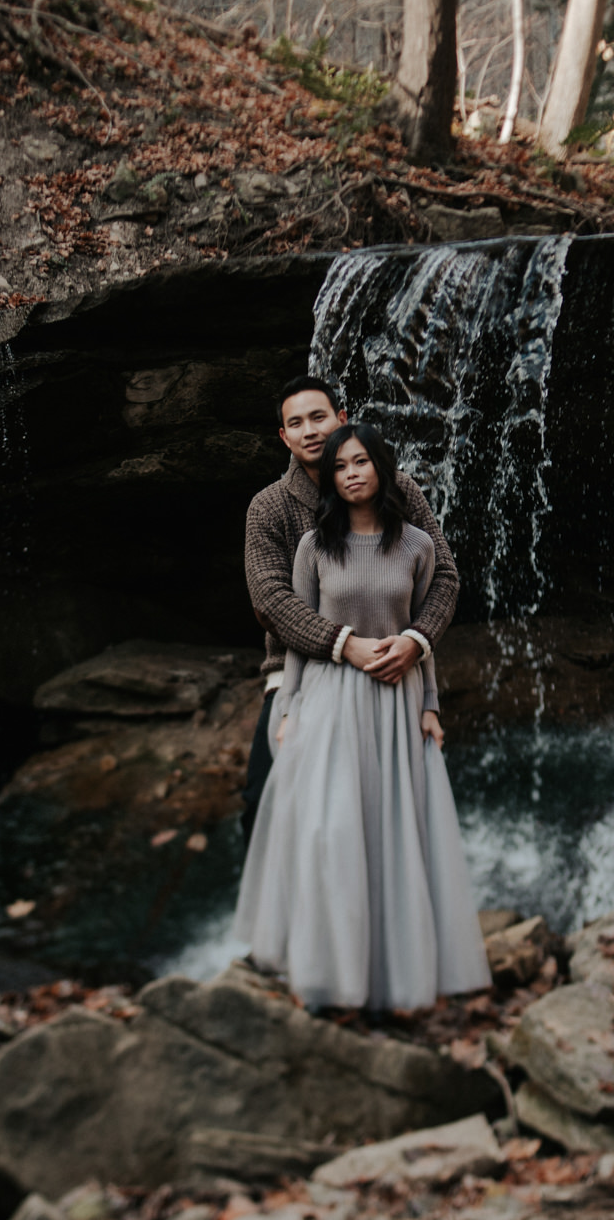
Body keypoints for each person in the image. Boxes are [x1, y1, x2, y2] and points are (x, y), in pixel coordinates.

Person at [232, 423, 490, 1010]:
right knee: (332, 831)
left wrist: (430, 705)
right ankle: (326, 969)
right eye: (341, 466)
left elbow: (424, 631)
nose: (351, 473)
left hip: (396, 703)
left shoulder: (418, 546)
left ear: (382, 469)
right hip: (328, 697)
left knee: (391, 835)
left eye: (361, 463)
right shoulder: (313, 546)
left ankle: (389, 975)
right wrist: (290, 708)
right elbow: (294, 635)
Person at [241, 376, 459, 841]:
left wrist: (416, 641)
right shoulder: (269, 507)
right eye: (295, 423)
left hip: (395, 667)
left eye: (318, 417)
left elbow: (442, 575)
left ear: (341, 419)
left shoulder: (398, 489)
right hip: (300, 670)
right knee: (264, 804)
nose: (309, 430)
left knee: (396, 809)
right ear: (284, 437)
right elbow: (271, 600)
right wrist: (342, 644)